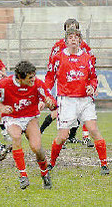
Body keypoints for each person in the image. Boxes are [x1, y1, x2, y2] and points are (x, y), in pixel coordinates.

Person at [45, 28, 109, 175]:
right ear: (66, 41)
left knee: (93, 129)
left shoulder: (86, 57)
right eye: (71, 37)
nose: (73, 39)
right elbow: (49, 77)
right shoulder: (58, 57)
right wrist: (46, 95)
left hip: (85, 100)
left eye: (76, 37)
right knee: (62, 136)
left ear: (80, 40)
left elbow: (93, 77)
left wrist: (92, 87)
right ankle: (52, 163)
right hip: (66, 101)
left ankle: (104, 165)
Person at [0, 60, 57, 190]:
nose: (33, 79)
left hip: (30, 117)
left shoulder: (37, 83)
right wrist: (1, 107)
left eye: (34, 76)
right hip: (12, 117)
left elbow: (50, 99)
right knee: (16, 136)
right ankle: (23, 175)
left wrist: (50, 102)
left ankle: (44, 173)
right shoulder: (5, 84)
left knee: (36, 148)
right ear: (20, 78)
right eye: (30, 77)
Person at [40, 18, 95, 148]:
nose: (72, 29)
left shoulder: (84, 46)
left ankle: (84, 137)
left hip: (81, 83)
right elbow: (51, 68)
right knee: (61, 113)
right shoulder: (58, 46)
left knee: (84, 111)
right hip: (65, 85)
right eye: (70, 27)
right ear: (65, 30)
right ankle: (57, 136)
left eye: (75, 27)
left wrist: (91, 84)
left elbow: (91, 63)